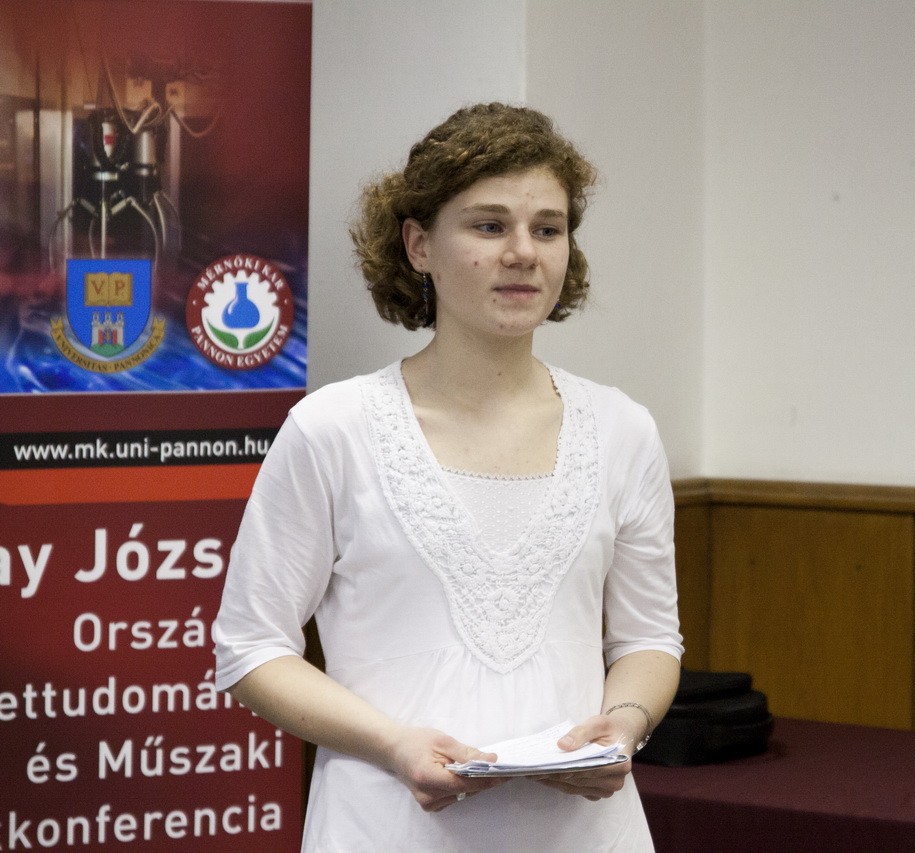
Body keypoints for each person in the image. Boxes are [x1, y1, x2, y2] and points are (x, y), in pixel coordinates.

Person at [212, 103, 683, 851]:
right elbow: (250, 649)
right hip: (387, 826)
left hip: (584, 833)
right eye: (489, 226)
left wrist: (624, 725)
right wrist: (393, 743)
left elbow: (649, 638)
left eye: (548, 228)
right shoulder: (333, 429)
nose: (523, 252)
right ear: (419, 245)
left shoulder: (623, 430)